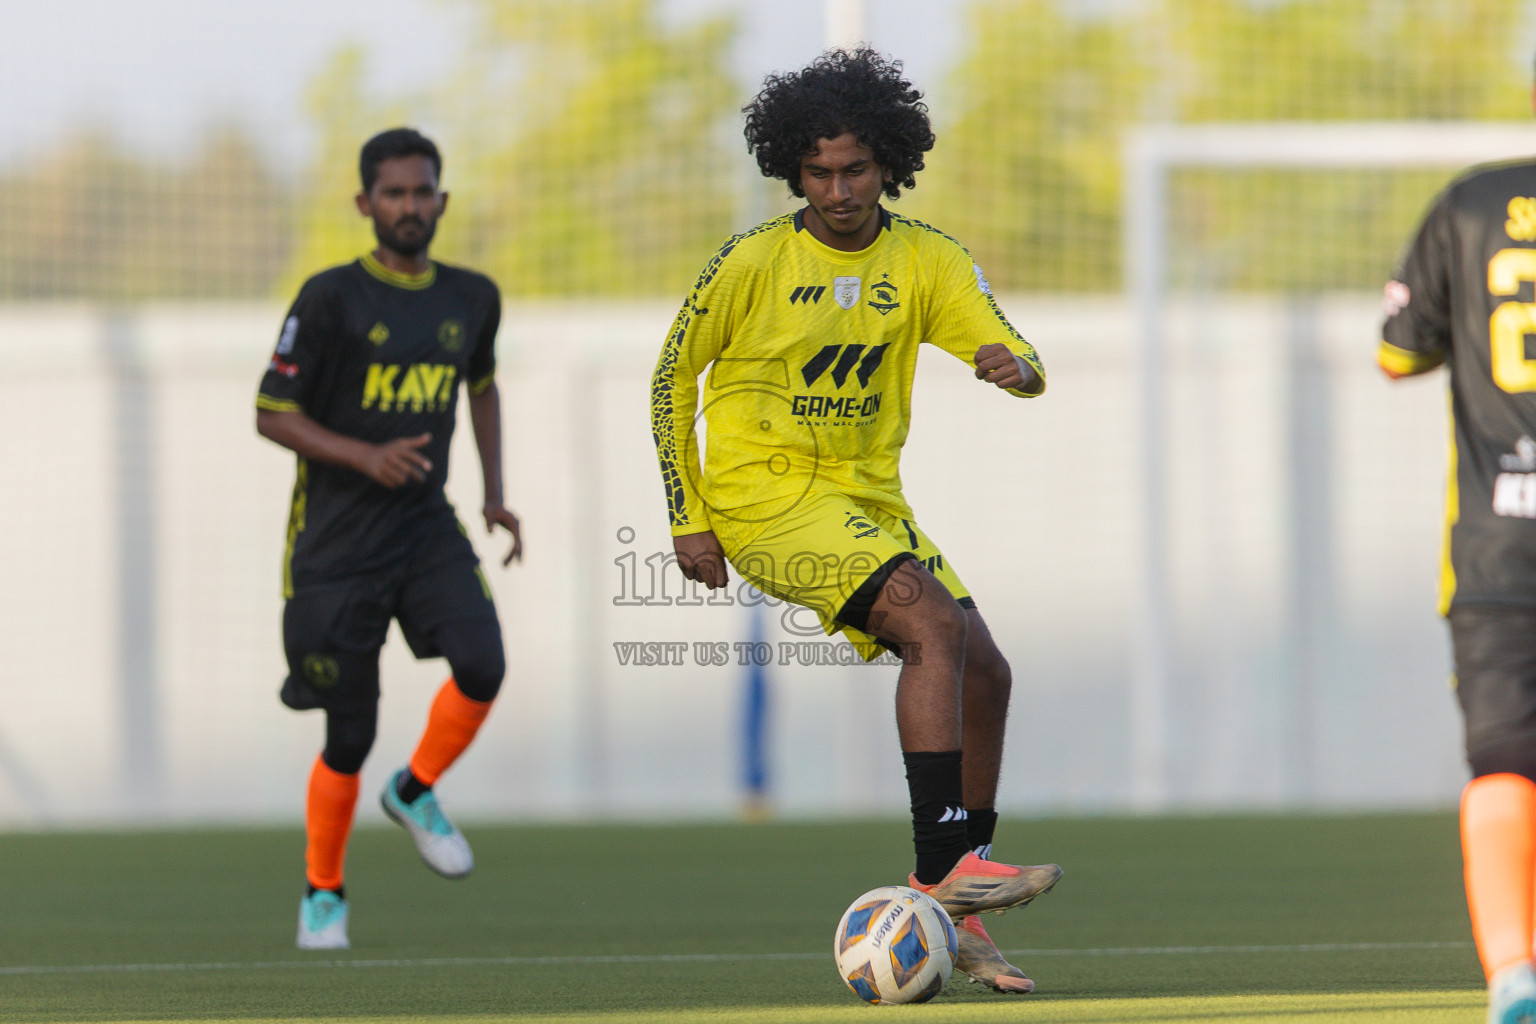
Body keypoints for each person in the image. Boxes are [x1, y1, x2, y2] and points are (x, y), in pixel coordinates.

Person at [650, 49, 1060, 995]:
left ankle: (952, 900)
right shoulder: (752, 261)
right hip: (762, 495)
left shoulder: (927, 257)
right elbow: (672, 376)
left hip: (870, 500)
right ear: (792, 170)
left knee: (988, 673)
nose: (838, 190)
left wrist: (1014, 365)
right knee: (932, 623)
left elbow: (1014, 345)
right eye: (819, 172)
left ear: (891, 165)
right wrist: (689, 515)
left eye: (856, 170)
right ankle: (947, 861)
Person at [256, 127, 521, 951]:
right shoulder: (330, 298)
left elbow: (480, 386)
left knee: (483, 662)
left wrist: (496, 493)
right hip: (335, 546)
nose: (410, 206)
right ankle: (324, 892)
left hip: (424, 527)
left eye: (423, 191)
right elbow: (272, 413)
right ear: (365, 203)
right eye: (394, 193)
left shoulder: (472, 297)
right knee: (350, 732)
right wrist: (364, 455)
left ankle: (416, 789)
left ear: (442, 201)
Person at [1379, 84, 1536, 1023]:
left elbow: (1398, 353)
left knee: (1506, 761)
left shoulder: (1472, 202)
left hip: (1495, 549)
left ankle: (1516, 974)